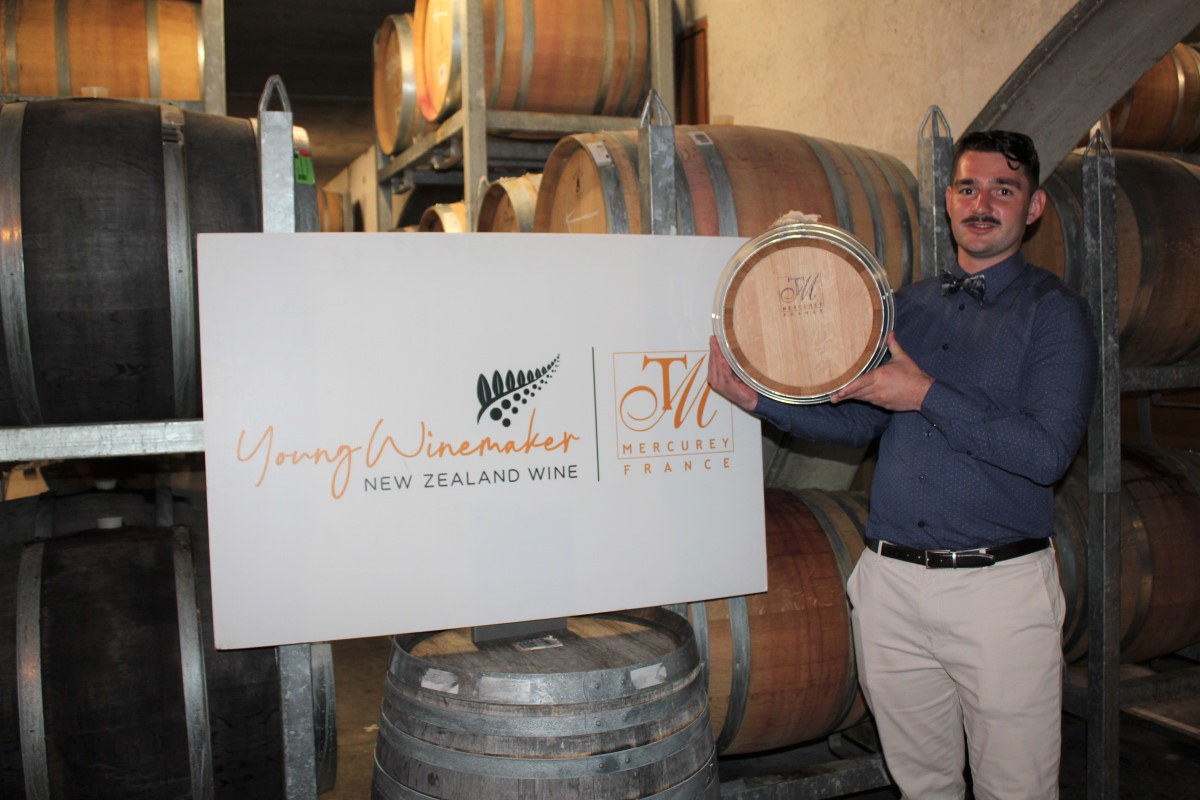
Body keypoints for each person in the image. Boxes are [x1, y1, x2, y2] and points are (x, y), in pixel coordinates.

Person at [708, 130, 1097, 799]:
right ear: (948, 200)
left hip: (997, 592)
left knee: (1018, 789)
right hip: (890, 585)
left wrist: (926, 394)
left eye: (1003, 190)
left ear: (1032, 208)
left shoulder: (1054, 313)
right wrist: (758, 401)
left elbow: (1047, 453)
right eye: (968, 188)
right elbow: (861, 419)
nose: (982, 203)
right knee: (922, 785)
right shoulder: (906, 306)